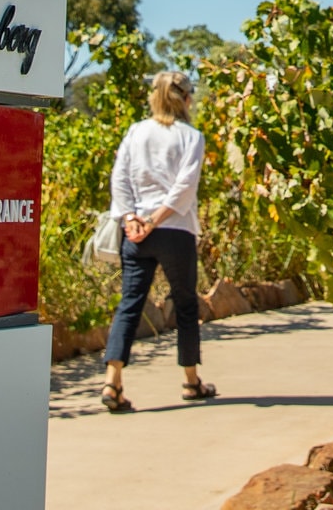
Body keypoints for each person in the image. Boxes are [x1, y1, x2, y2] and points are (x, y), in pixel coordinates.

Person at [100, 69, 216, 412]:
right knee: (185, 304)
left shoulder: (136, 132)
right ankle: (191, 381)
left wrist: (131, 218)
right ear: (186, 99)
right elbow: (185, 187)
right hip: (175, 229)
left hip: (137, 232)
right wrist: (154, 220)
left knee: (130, 303)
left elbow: (119, 177)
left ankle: (112, 382)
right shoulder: (191, 137)